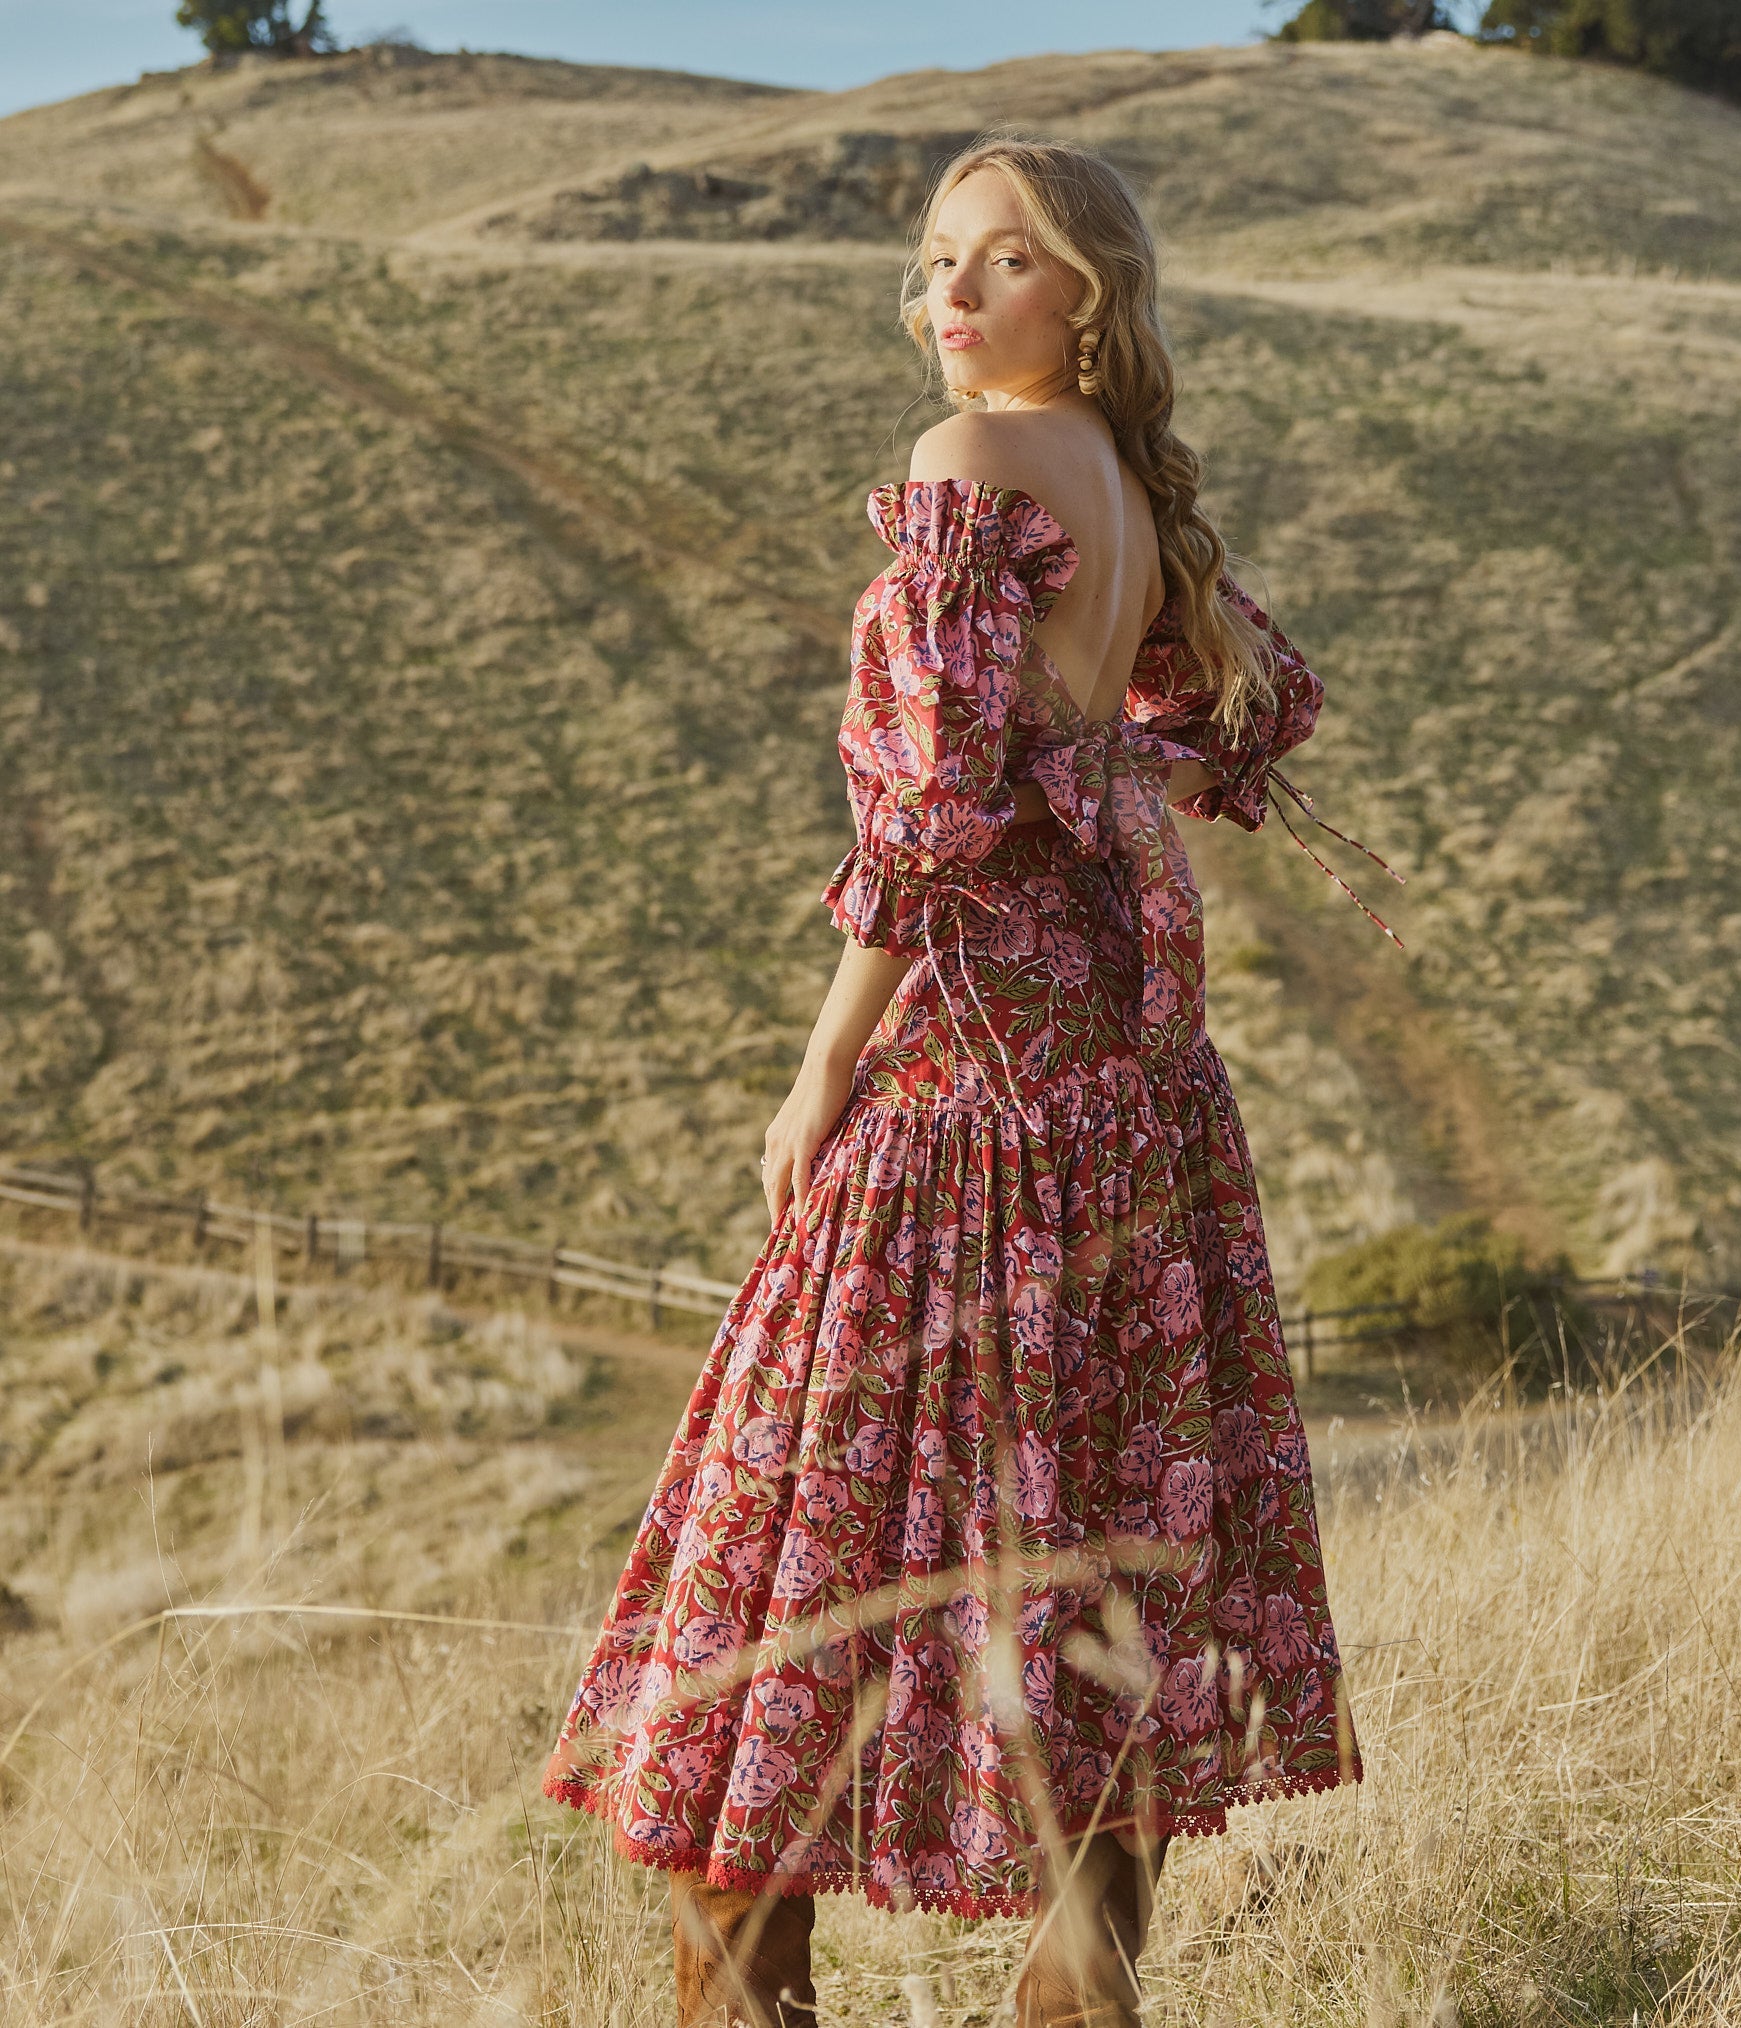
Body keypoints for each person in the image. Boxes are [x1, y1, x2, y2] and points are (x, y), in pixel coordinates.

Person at [545, 135, 1387, 2028]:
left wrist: (819, 1068)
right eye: (936, 260)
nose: (952, 297)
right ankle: (1081, 1995)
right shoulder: (1134, 492)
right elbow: (1232, 724)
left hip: (976, 1064)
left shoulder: (968, 468)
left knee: (793, 1521)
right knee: (1114, 1502)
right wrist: (1097, 785)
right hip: (1134, 1062)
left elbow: (926, 814)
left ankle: (743, 1997)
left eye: (1003, 262)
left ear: (1088, 290)